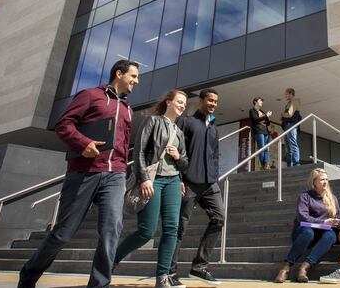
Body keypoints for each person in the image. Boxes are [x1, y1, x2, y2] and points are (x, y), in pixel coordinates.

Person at [18, 60, 139, 288]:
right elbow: (64, 124)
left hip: (115, 175)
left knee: (111, 230)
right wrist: (83, 143)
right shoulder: (90, 95)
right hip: (84, 173)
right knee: (63, 233)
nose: (136, 81)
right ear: (119, 73)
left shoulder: (127, 109)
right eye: (133, 76)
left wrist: (124, 170)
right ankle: (28, 276)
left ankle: (99, 284)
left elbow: (123, 144)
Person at [114, 90, 189, 288]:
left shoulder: (179, 132)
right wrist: (144, 179)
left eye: (184, 103)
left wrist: (178, 158)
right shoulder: (153, 122)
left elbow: (185, 163)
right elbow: (138, 152)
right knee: (146, 231)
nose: (183, 106)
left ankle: (162, 276)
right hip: (153, 180)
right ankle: (112, 259)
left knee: (172, 229)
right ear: (169, 102)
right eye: (179, 102)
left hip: (173, 181)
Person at [169, 88, 224, 286]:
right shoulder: (187, 122)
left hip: (209, 183)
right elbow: (174, 150)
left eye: (216, 101)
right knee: (179, 227)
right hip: (188, 182)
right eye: (210, 100)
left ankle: (199, 267)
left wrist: (214, 176)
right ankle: (169, 272)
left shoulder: (214, 128)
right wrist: (179, 178)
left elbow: (215, 155)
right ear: (201, 101)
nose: (213, 104)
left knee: (219, 218)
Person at [275, 168, 340, 283]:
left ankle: (304, 268)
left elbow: (339, 219)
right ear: (314, 181)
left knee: (331, 236)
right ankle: (286, 267)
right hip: (303, 231)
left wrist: (336, 222)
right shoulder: (305, 196)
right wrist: (323, 222)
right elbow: (302, 218)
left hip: (321, 234)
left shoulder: (332, 198)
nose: (325, 182)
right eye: (321, 179)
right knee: (308, 232)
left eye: (326, 179)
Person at [249, 97, 272, 170]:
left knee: (267, 149)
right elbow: (255, 119)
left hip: (265, 131)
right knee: (262, 148)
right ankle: (263, 165)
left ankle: (266, 164)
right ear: (255, 102)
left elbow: (268, 123)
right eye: (260, 101)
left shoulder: (262, 111)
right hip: (259, 131)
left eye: (262, 101)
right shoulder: (252, 110)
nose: (262, 102)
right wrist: (265, 117)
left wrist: (265, 117)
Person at [281, 88, 302, 167]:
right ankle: (289, 164)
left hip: (291, 125)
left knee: (293, 144)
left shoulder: (295, 101)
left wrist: (282, 114)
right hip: (287, 125)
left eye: (286, 94)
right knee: (288, 146)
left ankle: (296, 163)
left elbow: (290, 114)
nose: (285, 96)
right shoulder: (289, 103)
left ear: (291, 94)